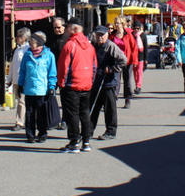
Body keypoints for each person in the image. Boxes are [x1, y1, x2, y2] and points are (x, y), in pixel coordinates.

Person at [57, 18, 97, 153]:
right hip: (86, 84)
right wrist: (91, 80)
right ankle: (86, 141)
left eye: (67, 27)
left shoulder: (70, 45)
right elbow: (94, 66)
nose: (66, 30)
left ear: (73, 29)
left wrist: (61, 83)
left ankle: (74, 141)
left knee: (72, 114)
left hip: (72, 85)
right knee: (84, 113)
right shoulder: (90, 45)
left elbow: (63, 67)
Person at [18, 31, 57, 143]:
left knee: (41, 114)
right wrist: (20, 84)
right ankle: (30, 134)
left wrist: (51, 86)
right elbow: (23, 71)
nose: (30, 44)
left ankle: (42, 133)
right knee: (29, 114)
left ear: (39, 43)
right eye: (30, 42)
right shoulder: (27, 55)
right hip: (29, 89)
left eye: (32, 42)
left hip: (42, 90)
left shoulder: (49, 55)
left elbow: (52, 73)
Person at [90, 25, 127, 141]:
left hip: (109, 82)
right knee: (93, 106)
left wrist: (112, 69)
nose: (100, 37)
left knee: (109, 108)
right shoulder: (93, 46)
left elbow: (123, 60)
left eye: (102, 35)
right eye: (98, 35)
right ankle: (89, 131)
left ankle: (111, 131)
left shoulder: (110, 46)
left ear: (107, 35)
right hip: (96, 81)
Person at [6, 27, 30, 132]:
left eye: (19, 36)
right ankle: (23, 121)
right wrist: (9, 79)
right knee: (20, 102)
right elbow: (12, 65)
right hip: (16, 80)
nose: (16, 38)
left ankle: (20, 122)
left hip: (24, 80)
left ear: (24, 38)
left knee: (22, 102)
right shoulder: (17, 49)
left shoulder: (28, 50)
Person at [110, 16, 137, 109]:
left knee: (127, 80)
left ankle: (128, 98)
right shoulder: (112, 34)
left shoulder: (128, 34)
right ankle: (114, 98)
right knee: (115, 80)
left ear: (122, 24)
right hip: (116, 60)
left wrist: (135, 60)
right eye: (115, 23)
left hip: (127, 60)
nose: (116, 25)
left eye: (118, 23)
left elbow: (134, 47)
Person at [132, 21, 147, 94]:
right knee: (135, 72)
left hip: (141, 57)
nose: (136, 30)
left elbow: (146, 47)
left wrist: (146, 59)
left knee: (139, 72)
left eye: (138, 28)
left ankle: (138, 86)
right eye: (135, 28)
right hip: (134, 57)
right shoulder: (132, 35)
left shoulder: (143, 35)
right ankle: (136, 85)